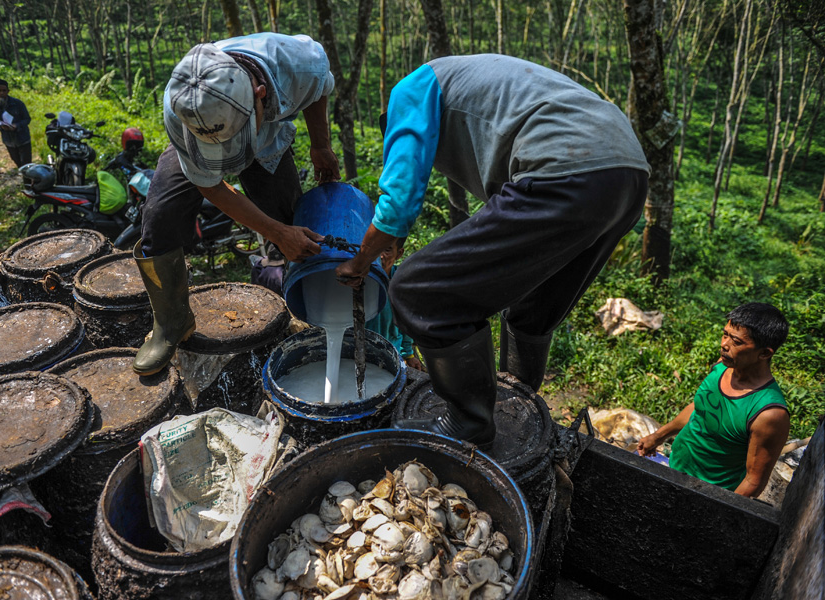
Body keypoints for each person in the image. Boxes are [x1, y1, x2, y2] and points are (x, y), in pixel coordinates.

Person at [336, 55, 650, 447]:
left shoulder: (410, 92)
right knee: (533, 307)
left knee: (419, 291)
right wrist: (393, 239)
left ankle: (470, 423)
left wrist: (361, 260)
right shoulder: (476, 87)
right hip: (627, 176)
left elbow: (398, 197)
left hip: (564, 167)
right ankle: (518, 403)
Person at [133, 33, 341, 376]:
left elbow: (318, 89)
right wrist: (275, 231)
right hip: (197, 149)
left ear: (260, 94)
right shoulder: (182, 105)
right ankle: (172, 322)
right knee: (159, 216)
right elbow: (213, 187)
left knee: (293, 223)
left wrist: (320, 145)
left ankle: (311, 315)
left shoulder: (299, 63)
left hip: (267, 146)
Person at [638, 303, 790, 498]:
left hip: (706, 494)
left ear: (764, 353)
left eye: (736, 341)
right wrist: (658, 436)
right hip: (673, 467)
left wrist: (718, 510)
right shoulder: (722, 368)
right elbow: (700, 408)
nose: (724, 344)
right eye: (725, 334)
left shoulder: (768, 413)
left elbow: (753, 481)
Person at [365, 237, 423, 371]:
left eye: (387, 249)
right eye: (375, 247)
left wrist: (408, 354)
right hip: (357, 351)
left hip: (391, 354)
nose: (379, 255)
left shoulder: (403, 283)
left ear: (399, 254)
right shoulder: (357, 279)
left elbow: (406, 322)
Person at [0, 79, 32, 168]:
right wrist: (0, 125)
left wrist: (16, 125)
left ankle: (29, 181)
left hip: (22, 138)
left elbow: (27, 119)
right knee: (17, 162)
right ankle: (26, 179)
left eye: (4, 90)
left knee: (26, 164)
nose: (1, 93)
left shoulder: (17, 103)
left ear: (8, 91)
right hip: (8, 140)